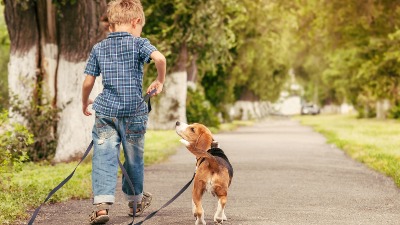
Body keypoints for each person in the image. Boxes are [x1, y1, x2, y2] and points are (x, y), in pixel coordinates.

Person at [81, 0, 166, 224]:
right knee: (134, 158)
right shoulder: (139, 44)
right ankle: (135, 202)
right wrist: (159, 80)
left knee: (104, 157)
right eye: (141, 27)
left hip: (106, 112)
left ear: (111, 25)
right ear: (136, 21)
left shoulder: (99, 48)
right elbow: (160, 58)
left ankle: (101, 208)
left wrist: (84, 103)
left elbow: (88, 82)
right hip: (134, 112)